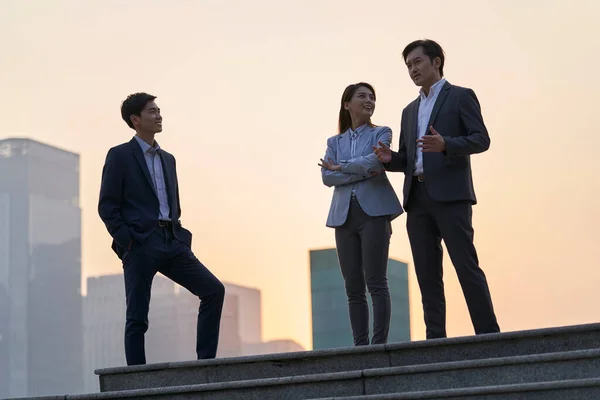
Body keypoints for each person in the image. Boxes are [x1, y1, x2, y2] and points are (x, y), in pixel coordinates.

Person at [374, 39, 500, 339]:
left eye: (417, 62)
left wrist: (447, 145)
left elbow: (481, 139)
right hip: (417, 200)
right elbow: (408, 158)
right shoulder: (409, 111)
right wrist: (391, 159)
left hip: (451, 197)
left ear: (436, 62)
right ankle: (435, 342)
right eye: (408, 66)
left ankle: (490, 336)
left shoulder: (460, 97)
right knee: (427, 276)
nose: (412, 70)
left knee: (466, 267)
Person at [98, 92, 225, 365]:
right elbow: (107, 205)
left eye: (159, 111)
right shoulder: (120, 155)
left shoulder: (168, 159)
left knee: (213, 290)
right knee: (137, 317)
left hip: (171, 240)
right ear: (135, 119)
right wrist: (127, 240)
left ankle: (206, 364)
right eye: (152, 111)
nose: (159, 116)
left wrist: (177, 233)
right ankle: (136, 380)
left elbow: (172, 201)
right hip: (140, 242)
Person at [319, 82, 403, 346]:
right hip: (343, 218)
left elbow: (377, 161)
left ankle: (379, 345)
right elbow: (326, 177)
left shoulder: (382, 132)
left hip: (375, 214)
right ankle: (360, 346)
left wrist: (342, 166)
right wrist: (362, 170)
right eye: (362, 96)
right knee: (353, 287)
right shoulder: (334, 142)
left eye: (372, 97)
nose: (369, 101)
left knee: (376, 281)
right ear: (347, 104)